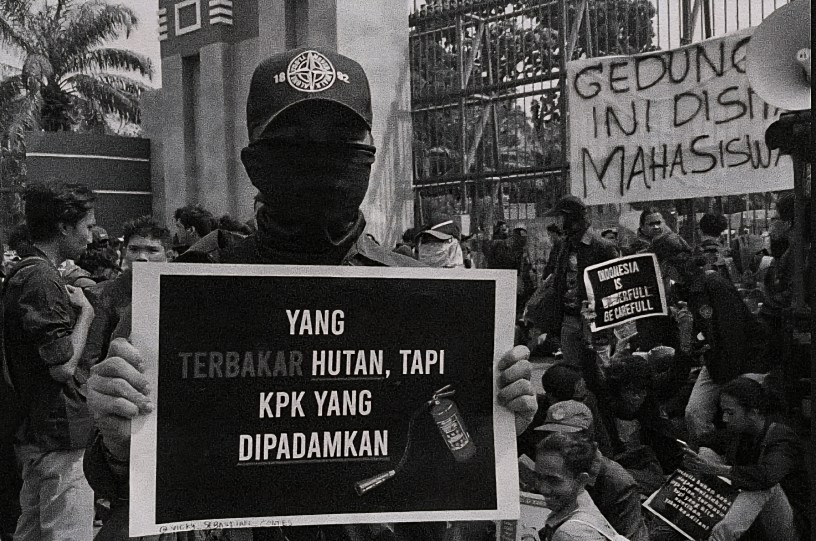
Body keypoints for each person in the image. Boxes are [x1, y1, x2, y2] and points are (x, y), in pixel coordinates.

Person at [83, 47, 537, 541]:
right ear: (253, 162)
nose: (319, 161)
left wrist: (497, 426)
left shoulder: (428, 301)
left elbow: (455, 480)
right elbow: (134, 491)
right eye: (294, 145)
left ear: (368, 159)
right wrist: (119, 443)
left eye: (341, 144)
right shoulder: (185, 302)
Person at [2, 181, 97, 541]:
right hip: (60, 433)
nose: (91, 237)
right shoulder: (42, 278)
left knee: (31, 530)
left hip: (37, 430)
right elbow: (63, 367)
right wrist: (85, 314)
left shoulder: (24, 272)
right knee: (68, 532)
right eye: (87, 227)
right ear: (64, 226)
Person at [652, 235, 767, 443]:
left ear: (668, 265)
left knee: (738, 419)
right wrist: (687, 334)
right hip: (715, 361)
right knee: (694, 414)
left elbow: (733, 338)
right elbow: (691, 345)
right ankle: (709, 453)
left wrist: (730, 387)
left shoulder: (714, 285)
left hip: (743, 362)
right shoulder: (682, 291)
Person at [683, 376, 809, 541]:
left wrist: (716, 469)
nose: (724, 419)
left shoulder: (782, 437)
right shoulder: (740, 431)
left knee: (763, 485)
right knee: (706, 453)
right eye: (724, 412)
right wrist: (691, 458)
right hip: (752, 521)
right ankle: (691, 522)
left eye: (730, 413)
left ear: (753, 413)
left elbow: (767, 476)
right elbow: (706, 442)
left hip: (787, 526)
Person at [534, 401, 649, 541]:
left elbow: (635, 536)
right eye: (550, 435)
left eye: (564, 436)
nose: (555, 441)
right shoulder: (546, 466)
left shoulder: (619, 481)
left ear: (586, 438)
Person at [81, 216, 171, 369]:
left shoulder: (180, 294)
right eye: (134, 249)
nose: (142, 257)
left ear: (168, 256)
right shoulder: (101, 295)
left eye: (152, 250)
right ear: (124, 252)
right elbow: (88, 362)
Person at [542, 195, 618, 371]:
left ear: (571, 218)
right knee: (571, 373)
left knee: (599, 372)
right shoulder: (564, 245)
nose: (557, 222)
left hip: (595, 322)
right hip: (569, 318)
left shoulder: (603, 247)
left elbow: (614, 287)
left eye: (559, 217)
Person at [535, 433, 623, 541]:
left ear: (581, 480)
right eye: (539, 477)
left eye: (553, 480)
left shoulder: (569, 534)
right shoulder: (583, 507)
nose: (543, 489)